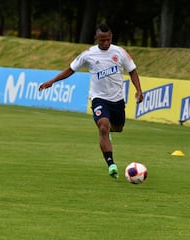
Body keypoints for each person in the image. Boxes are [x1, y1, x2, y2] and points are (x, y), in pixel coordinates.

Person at [39, 23, 143, 179]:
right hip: (98, 98)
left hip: (117, 100)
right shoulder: (88, 55)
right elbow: (71, 69)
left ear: (111, 38)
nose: (105, 43)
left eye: (108, 40)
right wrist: (52, 81)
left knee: (118, 128)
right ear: (96, 39)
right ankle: (111, 164)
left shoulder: (120, 53)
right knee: (103, 126)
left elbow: (132, 71)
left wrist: (139, 90)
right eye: (102, 40)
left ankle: (107, 133)